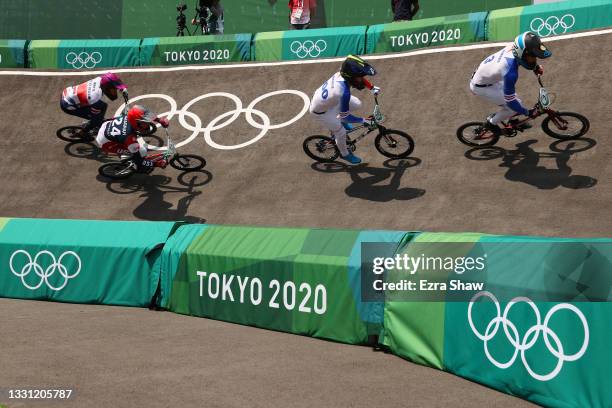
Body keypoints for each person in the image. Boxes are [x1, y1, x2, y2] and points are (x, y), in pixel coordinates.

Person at [470, 31, 551, 134]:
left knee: (518, 103)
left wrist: (535, 66)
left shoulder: (515, 47)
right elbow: (510, 101)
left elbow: (523, 58)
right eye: (533, 56)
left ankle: (511, 120)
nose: (534, 59)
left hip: (486, 78)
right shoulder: (510, 73)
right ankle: (491, 123)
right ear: (523, 54)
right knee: (513, 107)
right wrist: (528, 113)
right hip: (481, 88)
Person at [310, 55, 382, 165]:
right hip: (321, 113)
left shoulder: (343, 73)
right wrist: (364, 120)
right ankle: (345, 154)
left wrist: (371, 87)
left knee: (357, 104)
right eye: (359, 77)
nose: (361, 79)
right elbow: (346, 116)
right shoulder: (343, 92)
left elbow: (358, 77)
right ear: (350, 77)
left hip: (326, 101)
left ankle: (339, 123)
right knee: (341, 132)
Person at [96, 105, 170, 172]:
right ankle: (136, 167)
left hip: (106, 127)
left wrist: (159, 120)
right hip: (106, 144)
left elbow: (147, 115)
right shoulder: (129, 138)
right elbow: (139, 160)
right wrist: (156, 164)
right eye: (144, 123)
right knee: (142, 151)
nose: (147, 125)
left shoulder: (130, 116)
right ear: (135, 123)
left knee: (137, 149)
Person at [60, 72, 128, 135]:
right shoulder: (95, 97)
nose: (115, 90)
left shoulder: (100, 79)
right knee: (97, 119)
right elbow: (96, 112)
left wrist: (123, 89)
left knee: (102, 108)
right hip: (68, 105)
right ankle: (83, 132)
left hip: (68, 93)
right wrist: (97, 120)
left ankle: (95, 124)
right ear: (107, 87)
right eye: (114, 89)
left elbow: (113, 82)